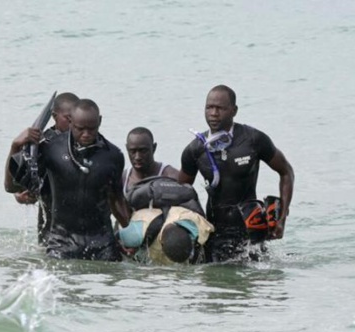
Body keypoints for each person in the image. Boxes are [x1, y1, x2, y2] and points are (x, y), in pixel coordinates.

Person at [178, 85, 295, 262]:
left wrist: (282, 217)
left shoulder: (253, 139)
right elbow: (181, 192)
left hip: (250, 231)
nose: (214, 113)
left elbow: (286, 172)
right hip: (215, 233)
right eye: (209, 107)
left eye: (220, 108)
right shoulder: (195, 150)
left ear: (234, 111)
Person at [5, 98, 130, 261]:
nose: (86, 134)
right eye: (80, 129)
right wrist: (15, 146)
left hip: (102, 245)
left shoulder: (113, 156)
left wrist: (131, 234)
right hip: (61, 244)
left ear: (99, 121)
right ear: (71, 122)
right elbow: (12, 187)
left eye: (91, 129)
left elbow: (117, 200)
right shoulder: (50, 149)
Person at [4, 92, 80, 244]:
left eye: (76, 119)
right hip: (51, 236)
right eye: (68, 119)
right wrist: (15, 146)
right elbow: (11, 187)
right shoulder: (43, 147)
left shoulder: (88, 142)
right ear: (54, 116)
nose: (73, 125)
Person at [118, 176, 214, 264]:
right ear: (162, 244)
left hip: (180, 206)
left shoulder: (199, 227)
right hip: (145, 192)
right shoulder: (137, 233)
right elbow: (117, 238)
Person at [122, 127, 179, 194]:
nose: (137, 157)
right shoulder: (122, 179)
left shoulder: (171, 176)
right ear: (127, 149)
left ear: (154, 148)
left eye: (143, 151)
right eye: (133, 151)